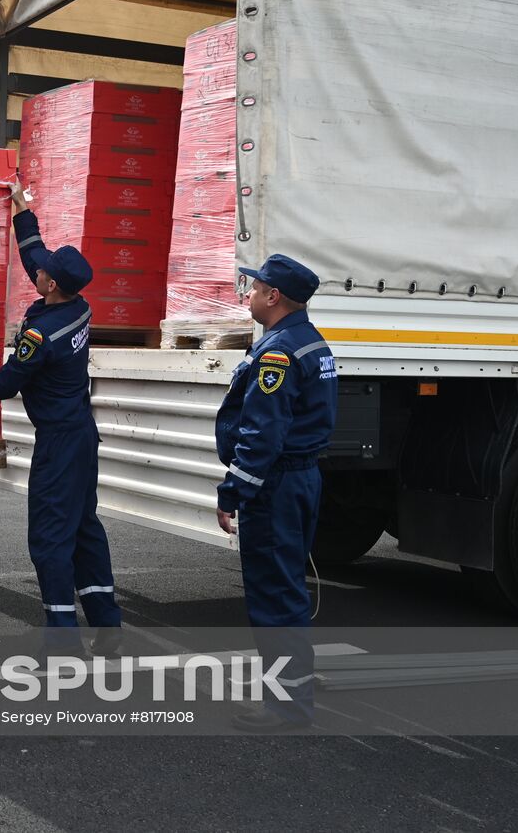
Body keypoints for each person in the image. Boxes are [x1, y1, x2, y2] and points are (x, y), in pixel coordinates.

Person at [0, 186, 123, 645]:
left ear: (52, 284)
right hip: (82, 436)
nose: (36, 271)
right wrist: (23, 210)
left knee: (49, 540)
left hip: (59, 443)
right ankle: (107, 626)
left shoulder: (41, 334)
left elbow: (6, 382)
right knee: (84, 530)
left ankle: (62, 635)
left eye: (43, 273)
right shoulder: (77, 307)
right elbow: (36, 257)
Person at [214, 254, 338, 732]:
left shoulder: (279, 353)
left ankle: (288, 707)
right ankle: (298, 680)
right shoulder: (311, 343)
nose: (248, 295)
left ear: (274, 296)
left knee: (273, 594)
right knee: (288, 585)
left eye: (254, 288)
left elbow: (261, 435)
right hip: (301, 478)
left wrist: (232, 494)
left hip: (277, 484)